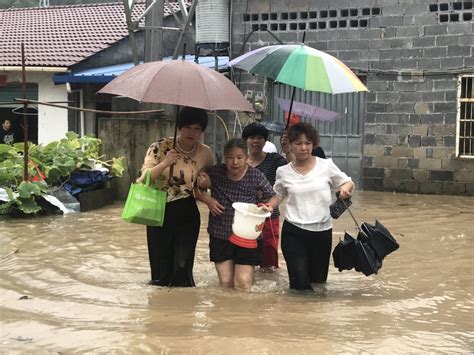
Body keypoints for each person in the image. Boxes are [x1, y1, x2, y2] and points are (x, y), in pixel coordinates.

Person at [266, 122, 354, 291]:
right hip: (294, 232)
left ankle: (315, 316)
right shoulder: (283, 171)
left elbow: (347, 181)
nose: (303, 148)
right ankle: (297, 316)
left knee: (318, 284)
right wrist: (268, 206)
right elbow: (278, 195)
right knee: (299, 285)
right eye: (298, 143)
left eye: (308, 143)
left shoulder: (326, 165)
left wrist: (344, 189)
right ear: (289, 145)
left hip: (322, 233)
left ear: (314, 144)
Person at [137, 106, 215, 287]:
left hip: (187, 211)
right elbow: (144, 179)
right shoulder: (159, 147)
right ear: (180, 127)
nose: (192, 132)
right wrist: (165, 163)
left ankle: (184, 309)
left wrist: (206, 182)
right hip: (158, 210)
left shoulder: (206, 153)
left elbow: (210, 181)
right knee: (161, 271)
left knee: (182, 267)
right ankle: (161, 310)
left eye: (197, 128)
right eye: (188, 127)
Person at [196, 138, 275, 291]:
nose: (235, 162)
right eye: (230, 158)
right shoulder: (216, 172)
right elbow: (195, 188)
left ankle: (243, 314)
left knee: (242, 283)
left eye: (239, 158)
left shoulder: (255, 175)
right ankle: (226, 314)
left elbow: (272, 196)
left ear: (246, 158)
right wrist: (207, 199)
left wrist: (266, 207)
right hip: (220, 234)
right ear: (225, 158)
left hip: (247, 236)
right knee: (226, 283)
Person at [242, 123, 288, 272]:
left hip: (269, 215)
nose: (256, 141)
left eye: (260, 138)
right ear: (245, 140)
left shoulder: (275, 160)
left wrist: (287, 147)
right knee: (245, 255)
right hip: (246, 215)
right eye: (252, 137)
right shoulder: (239, 163)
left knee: (269, 256)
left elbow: (290, 170)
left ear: (265, 141)